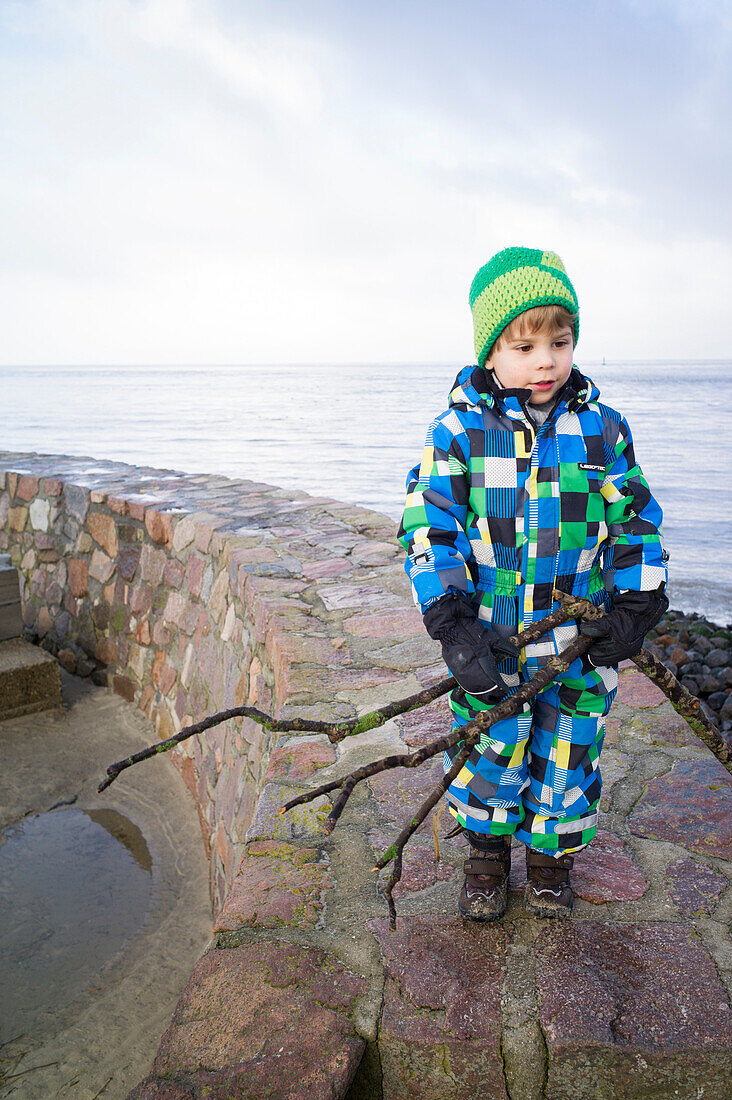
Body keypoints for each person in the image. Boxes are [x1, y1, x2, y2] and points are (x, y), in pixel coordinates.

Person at [398, 247, 668, 921]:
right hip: (493, 639)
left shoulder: (601, 431)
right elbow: (430, 529)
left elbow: (635, 521)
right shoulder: (457, 432)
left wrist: (634, 605)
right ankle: (486, 857)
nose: (545, 360)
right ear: (491, 350)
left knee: (569, 751)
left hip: (576, 638)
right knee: (489, 744)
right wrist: (454, 625)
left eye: (560, 341)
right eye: (524, 345)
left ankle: (550, 859)